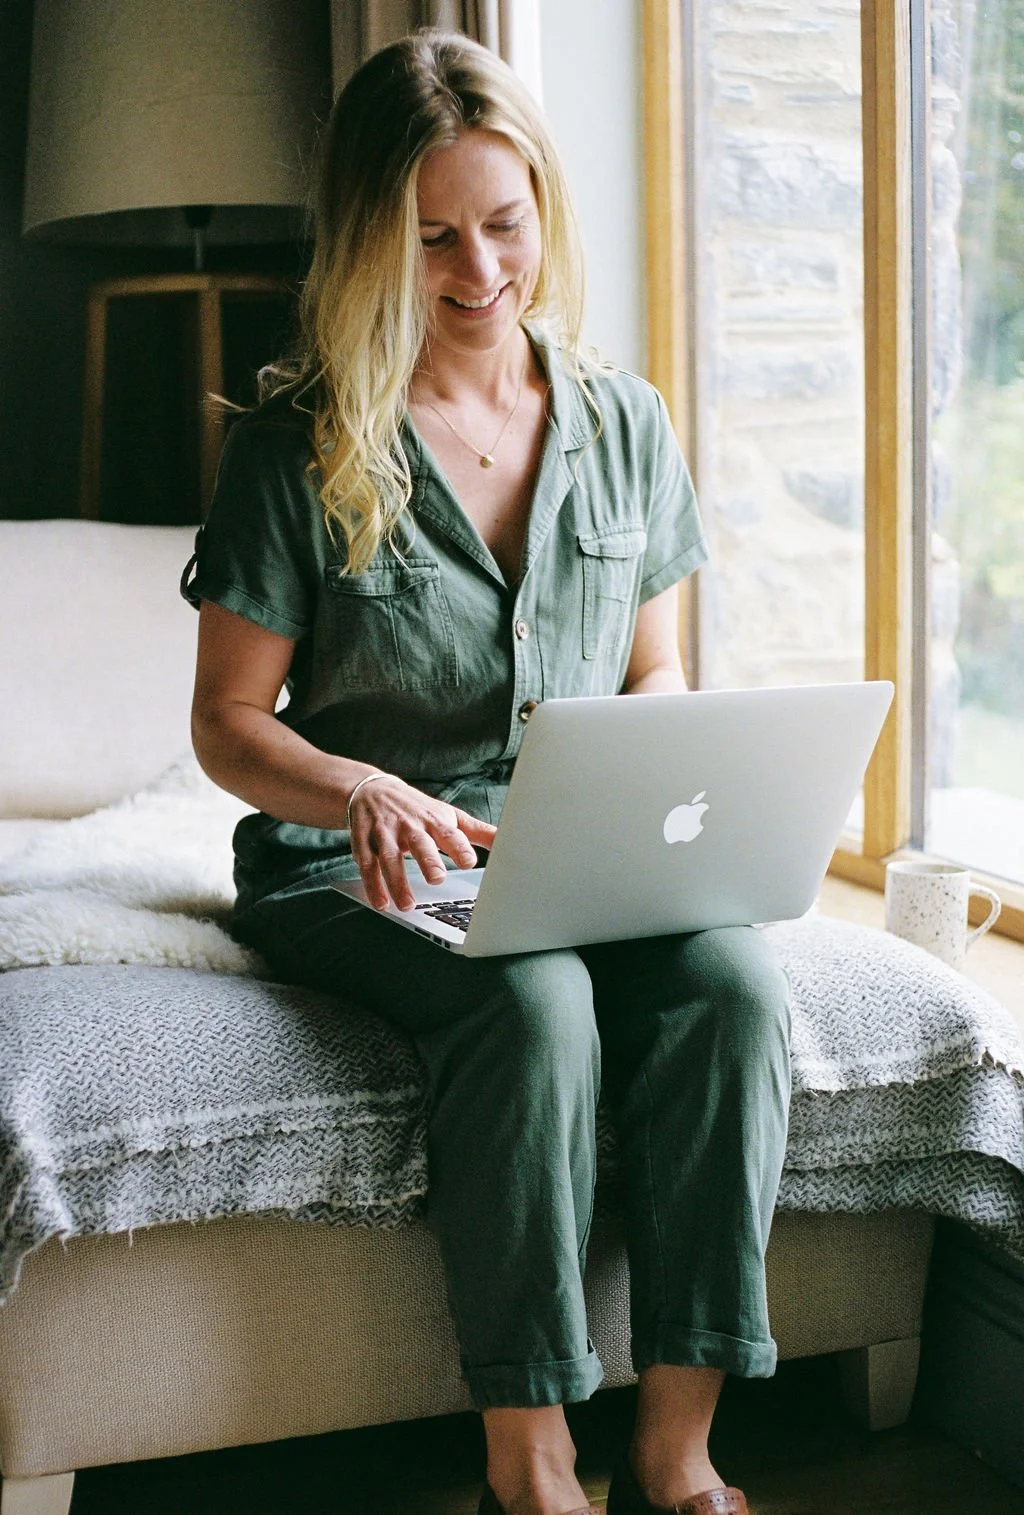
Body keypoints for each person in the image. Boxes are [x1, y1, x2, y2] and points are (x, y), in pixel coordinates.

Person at [183, 29, 791, 1515]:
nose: (477, 267)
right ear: (366, 236)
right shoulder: (295, 445)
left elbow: (654, 667)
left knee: (738, 985)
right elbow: (227, 723)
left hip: (577, 848)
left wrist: (670, 780)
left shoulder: (626, 426)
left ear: (544, 212)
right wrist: (362, 792)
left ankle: (678, 1442)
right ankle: (530, 1455)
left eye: (504, 223)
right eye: (431, 233)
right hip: (353, 865)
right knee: (534, 1000)